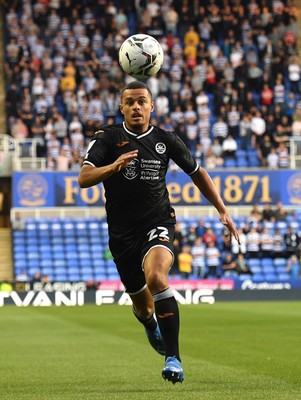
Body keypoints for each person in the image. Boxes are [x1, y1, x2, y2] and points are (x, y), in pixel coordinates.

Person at [78, 81, 240, 384]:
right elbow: (84, 177)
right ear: (122, 107)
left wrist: (222, 209)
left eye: (142, 101)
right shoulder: (107, 138)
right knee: (142, 307)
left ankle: (173, 358)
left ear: (152, 106)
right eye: (130, 102)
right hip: (122, 235)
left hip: (158, 222)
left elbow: (198, 172)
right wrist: (114, 167)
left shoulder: (166, 139)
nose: (136, 107)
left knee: (156, 277)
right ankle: (149, 323)